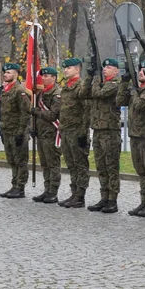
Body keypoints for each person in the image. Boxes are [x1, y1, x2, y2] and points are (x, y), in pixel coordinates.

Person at [81, 58, 125, 213]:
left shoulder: (115, 85)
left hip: (110, 131)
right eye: (104, 67)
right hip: (98, 130)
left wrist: (96, 78)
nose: (105, 69)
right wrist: (90, 76)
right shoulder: (99, 83)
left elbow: (98, 93)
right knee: (101, 166)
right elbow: (84, 93)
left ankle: (112, 199)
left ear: (116, 71)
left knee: (111, 166)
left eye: (109, 67)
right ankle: (104, 197)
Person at [120, 60, 145, 218]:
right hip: (135, 135)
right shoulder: (136, 89)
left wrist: (134, 92)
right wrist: (124, 82)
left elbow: (141, 105)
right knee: (141, 172)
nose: (141, 73)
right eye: (139, 70)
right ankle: (143, 201)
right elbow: (119, 101)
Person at [55, 58, 89, 208]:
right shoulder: (66, 87)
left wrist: (83, 132)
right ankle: (74, 193)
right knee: (71, 164)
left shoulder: (80, 87)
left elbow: (86, 110)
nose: (65, 70)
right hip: (66, 130)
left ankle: (80, 195)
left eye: (69, 68)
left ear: (77, 69)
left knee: (80, 164)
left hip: (77, 131)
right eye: (65, 68)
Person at [0, 63, 31, 199]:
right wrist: (2, 129)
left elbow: (25, 112)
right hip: (7, 130)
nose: (5, 75)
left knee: (20, 160)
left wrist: (21, 132)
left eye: (9, 72)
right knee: (11, 159)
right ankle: (14, 184)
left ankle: (20, 187)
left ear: (16, 75)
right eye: (5, 73)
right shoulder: (6, 90)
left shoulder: (19, 91)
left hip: (17, 131)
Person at [30, 66, 62, 204]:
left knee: (53, 163)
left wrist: (37, 112)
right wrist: (33, 127)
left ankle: (53, 192)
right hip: (42, 133)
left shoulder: (56, 94)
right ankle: (47, 189)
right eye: (42, 76)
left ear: (54, 78)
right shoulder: (42, 93)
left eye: (47, 76)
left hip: (51, 133)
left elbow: (52, 115)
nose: (43, 78)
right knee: (44, 164)